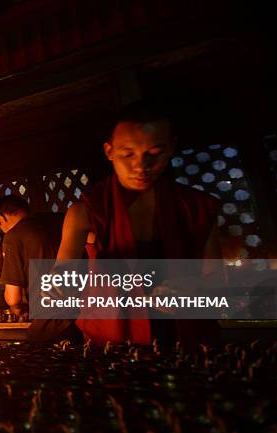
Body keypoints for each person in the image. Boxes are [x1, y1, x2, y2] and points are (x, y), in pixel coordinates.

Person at [56, 100, 221, 346]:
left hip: (188, 337)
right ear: (109, 152)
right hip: (112, 340)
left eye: (154, 154)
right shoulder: (88, 211)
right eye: (127, 154)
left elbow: (216, 280)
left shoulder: (196, 207)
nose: (141, 167)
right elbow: (62, 273)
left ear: (171, 148)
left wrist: (191, 289)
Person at [0, 195, 80, 343]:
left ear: (0, 218)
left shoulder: (13, 237)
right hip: (83, 317)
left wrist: (17, 308)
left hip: (52, 324)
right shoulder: (59, 222)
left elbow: (14, 298)